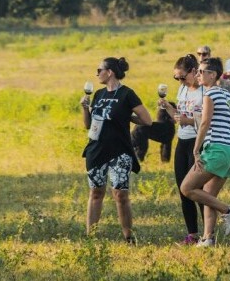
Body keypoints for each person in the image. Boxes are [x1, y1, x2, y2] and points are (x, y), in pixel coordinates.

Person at [80, 57, 153, 243]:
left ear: (109, 72)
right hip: (96, 150)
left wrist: (127, 118)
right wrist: (84, 108)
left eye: (99, 70)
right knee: (96, 192)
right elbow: (89, 124)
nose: (97, 74)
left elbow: (147, 120)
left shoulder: (127, 94)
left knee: (120, 193)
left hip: (120, 151)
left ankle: (128, 236)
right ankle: (91, 236)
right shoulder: (98, 94)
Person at [179, 57, 230, 247]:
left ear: (213, 75)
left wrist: (196, 149)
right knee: (208, 194)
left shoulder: (210, 94)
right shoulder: (228, 96)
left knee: (187, 188)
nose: (197, 75)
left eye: (201, 72)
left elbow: (204, 122)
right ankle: (207, 238)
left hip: (217, 149)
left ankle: (228, 210)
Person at [158, 54, 205, 245]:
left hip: (198, 142)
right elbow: (179, 116)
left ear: (194, 71)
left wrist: (188, 121)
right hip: (182, 141)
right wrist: (168, 108)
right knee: (183, 190)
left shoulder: (204, 92)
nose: (180, 81)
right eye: (176, 78)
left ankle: (208, 233)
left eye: (182, 77)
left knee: (198, 190)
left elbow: (206, 121)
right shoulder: (182, 91)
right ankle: (192, 235)